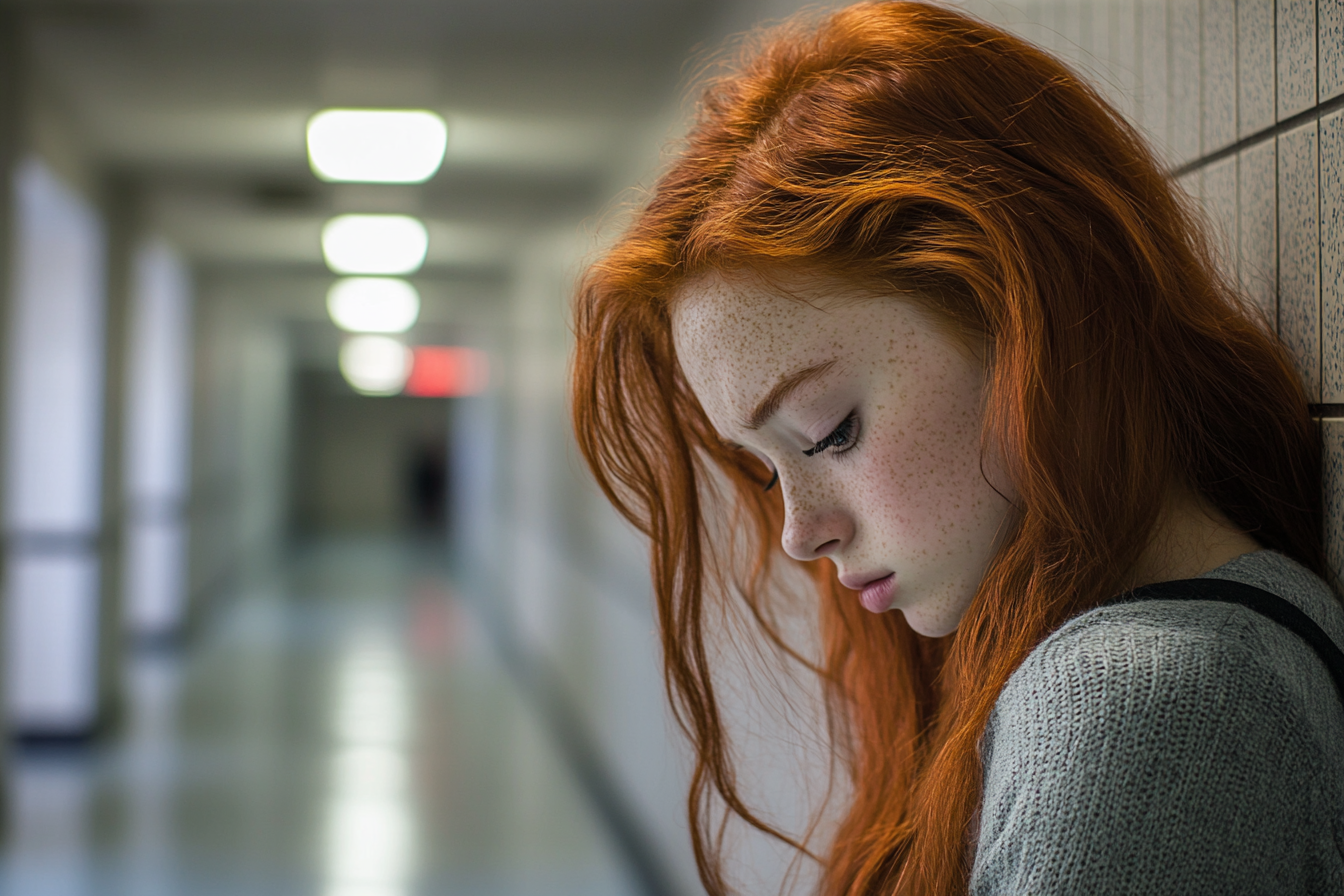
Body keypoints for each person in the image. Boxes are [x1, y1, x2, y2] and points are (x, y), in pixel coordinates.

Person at [569, 3, 1344, 894]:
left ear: (1028, 317)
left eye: (830, 430)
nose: (798, 533)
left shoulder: (1150, 705)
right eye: (763, 466)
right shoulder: (1204, 644)